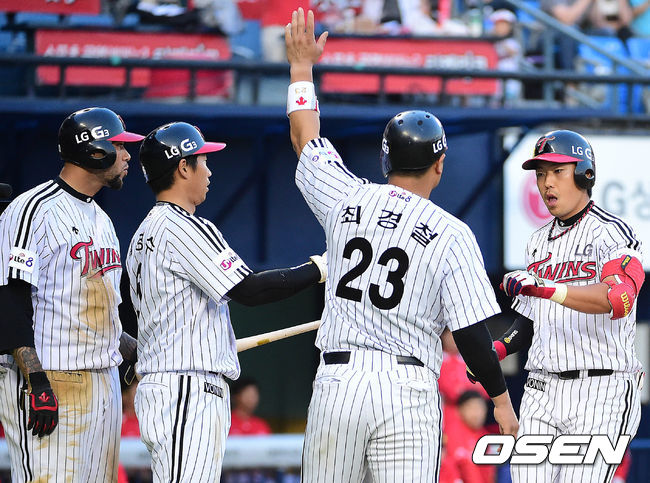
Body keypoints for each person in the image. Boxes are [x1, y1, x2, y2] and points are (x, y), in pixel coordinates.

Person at [285, 9, 519, 482]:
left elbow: (303, 135)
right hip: (407, 388)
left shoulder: (346, 196)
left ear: (385, 159)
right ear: (440, 163)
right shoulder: (451, 233)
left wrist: (301, 68)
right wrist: (500, 399)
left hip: (338, 381)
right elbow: (471, 336)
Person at [126, 121, 327, 482]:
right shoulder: (183, 226)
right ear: (183, 167)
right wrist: (319, 270)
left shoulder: (143, 232)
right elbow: (250, 290)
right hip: (186, 386)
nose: (209, 171)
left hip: (174, 382)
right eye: (203, 161)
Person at [488, 130, 644, 482]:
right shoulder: (536, 242)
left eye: (558, 171)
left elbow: (619, 298)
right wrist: (497, 349)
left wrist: (546, 288)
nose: (547, 183)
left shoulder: (612, 232)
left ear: (585, 173)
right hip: (541, 388)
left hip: (601, 388)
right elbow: (530, 321)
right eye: (541, 173)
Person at [0, 107, 143, 482]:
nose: (127, 155)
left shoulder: (102, 219)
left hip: (104, 381)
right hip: (52, 378)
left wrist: (136, 348)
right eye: (120, 146)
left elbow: (92, 311)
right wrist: (38, 383)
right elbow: (11, 300)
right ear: (95, 150)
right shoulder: (33, 209)